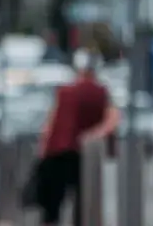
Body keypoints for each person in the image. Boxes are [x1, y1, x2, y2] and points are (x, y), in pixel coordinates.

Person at [35, 49, 120, 226]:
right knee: (84, 199)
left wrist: (42, 149)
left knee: (52, 205)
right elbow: (112, 119)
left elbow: (50, 123)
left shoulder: (65, 92)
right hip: (82, 153)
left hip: (57, 151)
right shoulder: (100, 92)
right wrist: (94, 135)